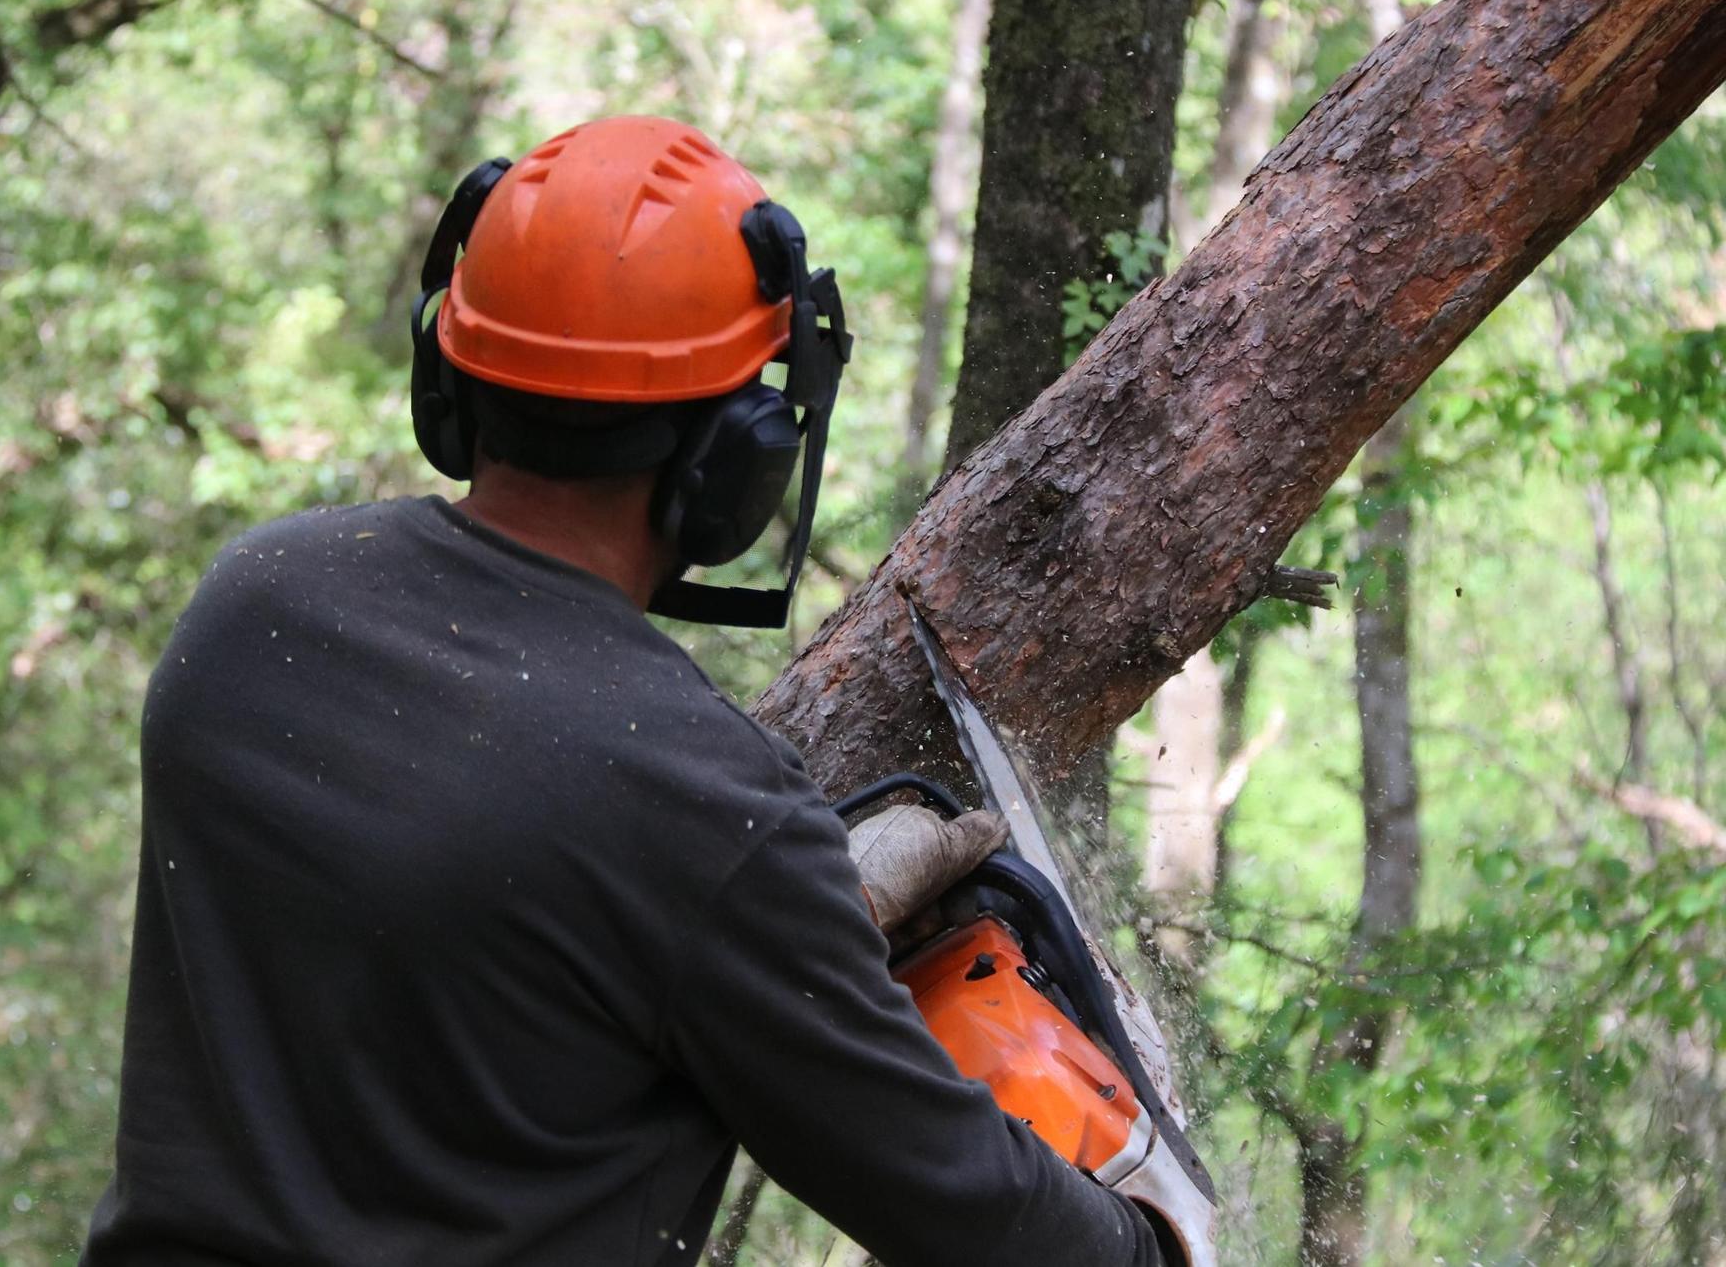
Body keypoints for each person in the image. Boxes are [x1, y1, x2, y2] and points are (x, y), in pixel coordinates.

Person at [81, 116, 1164, 1267]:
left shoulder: (248, 608)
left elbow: (461, 944)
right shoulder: (695, 801)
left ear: (446, 374)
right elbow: (962, 1202)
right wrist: (1141, 1242)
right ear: (737, 452)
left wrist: (773, 927)